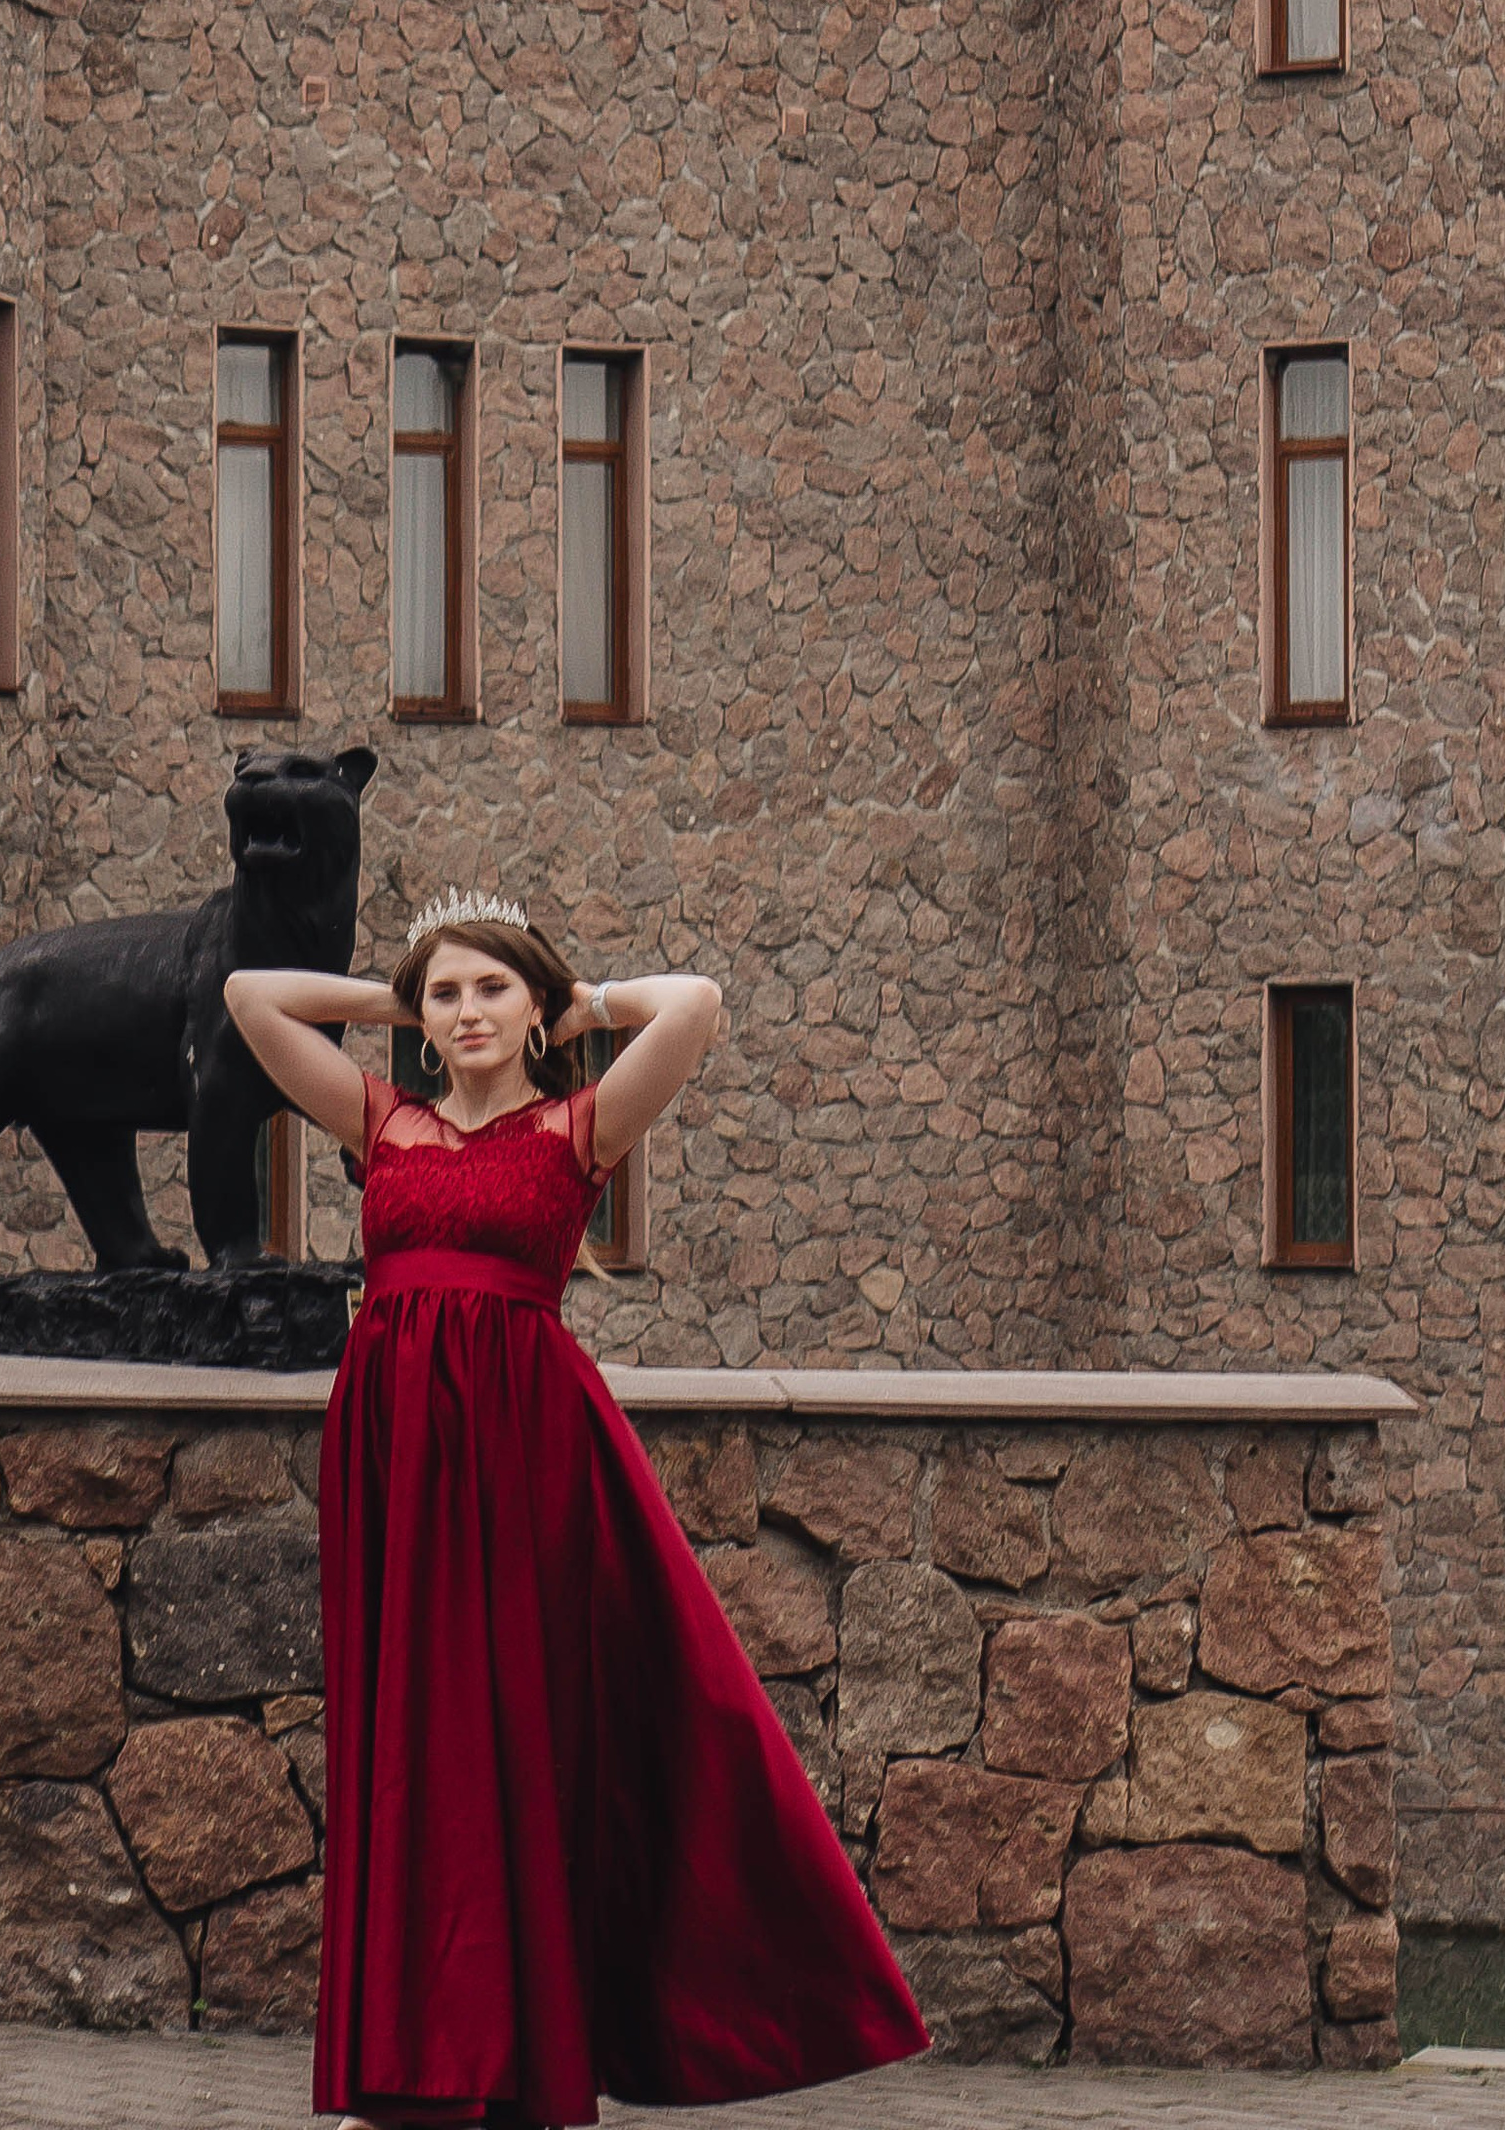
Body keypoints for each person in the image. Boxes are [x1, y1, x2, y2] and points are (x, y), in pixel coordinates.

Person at [226, 890, 928, 2130]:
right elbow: (250, 999)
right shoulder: (381, 1120)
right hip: (395, 1454)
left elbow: (695, 1005)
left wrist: (579, 1002)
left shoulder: (578, 1128)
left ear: (532, 1006)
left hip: (529, 1452)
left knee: (519, 1740)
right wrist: (397, 999)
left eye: (489, 989)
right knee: (408, 1743)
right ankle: (404, 2074)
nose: (466, 1012)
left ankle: (516, 2066)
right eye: (446, 995)